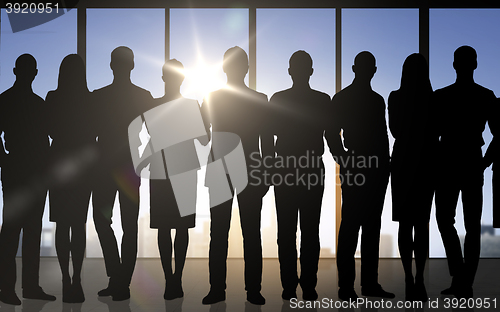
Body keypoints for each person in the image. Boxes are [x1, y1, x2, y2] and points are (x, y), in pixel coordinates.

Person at [200, 46, 272, 305]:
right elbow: (267, 142)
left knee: (219, 233)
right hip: (250, 170)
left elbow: (202, 136)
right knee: (251, 233)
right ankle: (252, 291)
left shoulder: (212, 98)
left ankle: (218, 291)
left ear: (224, 68)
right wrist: (268, 174)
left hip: (223, 169)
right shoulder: (259, 98)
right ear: (247, 68)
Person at [326, 51, 394, 301]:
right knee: (362, 226)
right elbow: (332, 132)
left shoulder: (347, 98)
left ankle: (353, 287)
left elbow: (331, 132)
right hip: (367, 166)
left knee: (356, 226)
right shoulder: (374, 100)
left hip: (363, 165)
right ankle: (359, 286)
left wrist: (342, 157)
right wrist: (343, 157)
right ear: (369, 70)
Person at [92, 46, 154, 301]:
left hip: (106, 165)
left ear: (111, 65)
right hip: (130, 164)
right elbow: (155, 129)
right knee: (128, 226)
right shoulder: (143, 95)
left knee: (103, 221)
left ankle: (117, 278)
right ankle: (121, 281)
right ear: (132, 65)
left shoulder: (99, 96)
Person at [434, 46, 496, 299]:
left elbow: (432, 134)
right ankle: (463, 280)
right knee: (470, 226)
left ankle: (460, 277)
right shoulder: (485, 95)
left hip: (449, 161)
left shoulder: (442, 96)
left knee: (446, 221)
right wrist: (484, 162)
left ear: (454, 65)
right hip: (471, 161)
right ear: (476, 65)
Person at [268, 51, 330, 301]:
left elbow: (269, 133)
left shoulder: (278, 99)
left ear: (290, 71)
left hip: (286, 168)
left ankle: (289, 287)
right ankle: (308, 286)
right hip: (311, 168)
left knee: (287, 231)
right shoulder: (323, 100)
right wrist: (343, 157)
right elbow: (330, 134)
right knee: (310, 230)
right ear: (311, 71)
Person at [149, 59, 208, 300]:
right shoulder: (192, 106)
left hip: (162, 169)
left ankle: (169, 280)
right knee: (181, 226)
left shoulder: (152, 105)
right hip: (183, 169)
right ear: (182, 79)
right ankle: (177, 279)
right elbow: (204, 140)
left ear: (164, 78)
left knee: (164, 226)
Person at [0, 54, 56, 305]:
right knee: (26, 231)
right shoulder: (37, 103)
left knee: (15, 231)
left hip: (20, 171)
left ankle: (12, 288)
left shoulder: (7, 99)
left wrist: (5, 160)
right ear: (34, 73)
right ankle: (26, 287)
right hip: (31, 172)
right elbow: (48, 137)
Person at [45, 54, 97, 303]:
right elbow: (95, 132)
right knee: (78, 224)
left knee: (62, 225)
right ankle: (76, 279)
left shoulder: (53, 97)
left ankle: (66, 279)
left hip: (58, 164)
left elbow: (50, 130)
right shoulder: (91, 99)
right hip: (84, 166)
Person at [388, 53, 437, 302]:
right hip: (426, 162)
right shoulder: (433, 99)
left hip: (403, 163)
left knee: (405, 224)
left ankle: (409, 276)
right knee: (421, 223)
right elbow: (436, 131)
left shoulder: (395, 97)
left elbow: (395, 129)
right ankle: (418, 278)